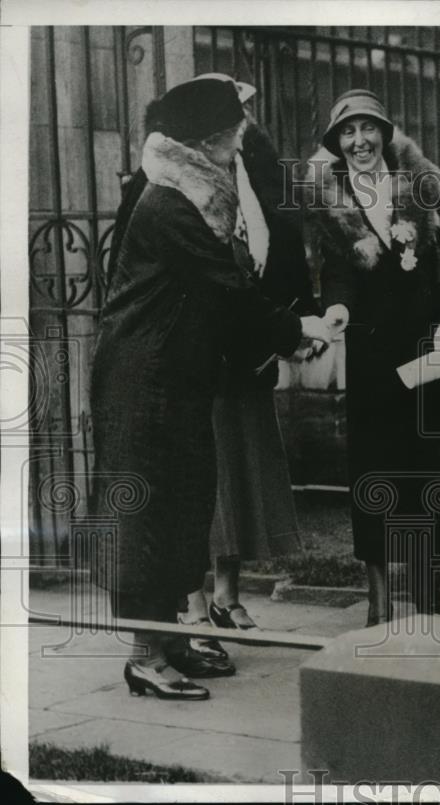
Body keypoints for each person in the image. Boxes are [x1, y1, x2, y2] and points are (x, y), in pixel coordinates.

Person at [91, 76, 331, 700]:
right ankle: (146, 656)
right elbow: (227, 289)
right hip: (144, 381)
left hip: (175, 375)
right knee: (150, 515)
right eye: (236, 130)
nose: (243, 137)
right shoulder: (169, 204)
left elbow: (222, 300)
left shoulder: (188, 193)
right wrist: (293, 328)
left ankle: (168, 641)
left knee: (185, 510)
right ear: (209, 140)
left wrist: (282, 330)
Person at [306, 89, 440, 624]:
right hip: (374, 360)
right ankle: (379, 605)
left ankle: (434, 600)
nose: (359, 141)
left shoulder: (423, 185)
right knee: (375, 474)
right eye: (347, 133)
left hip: (433, 354)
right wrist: (335, 307)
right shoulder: (328, 200)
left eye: (368, 129)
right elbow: (335, 271)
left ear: (386, 132)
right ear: (337, 143)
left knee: (432, 473)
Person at [171, 77, 322, 657]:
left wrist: (299, 318)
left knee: (237, 471)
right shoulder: (172, 183)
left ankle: (228, 596)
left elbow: (280, 248)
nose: (245, 124)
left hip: (246, 355)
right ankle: (189, 604)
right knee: (201, 481)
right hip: (199, 358)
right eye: (237, 114)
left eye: (248, 112)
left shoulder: (255, 173)